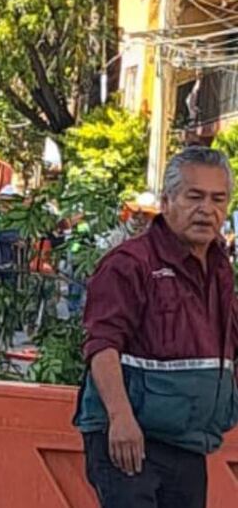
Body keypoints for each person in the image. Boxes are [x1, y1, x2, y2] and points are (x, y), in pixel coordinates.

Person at [74, 146, 238, 508]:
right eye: (194, 197)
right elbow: (102, 345)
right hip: (130, 438)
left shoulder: (219, 270)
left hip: (188, 441)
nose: (207, 209)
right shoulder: (130, 264)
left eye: (218, 199)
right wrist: (120, 419)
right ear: (167, 202)